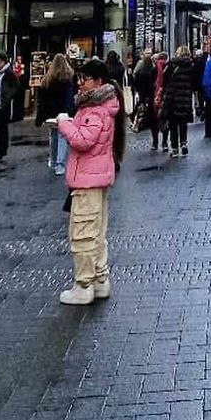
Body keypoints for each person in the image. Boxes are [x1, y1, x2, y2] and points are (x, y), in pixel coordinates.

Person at [54, 57, 124, 305]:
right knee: (96, 232)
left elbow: (84, 141)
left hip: (87, 179)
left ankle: (83, 284)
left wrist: (64, 124)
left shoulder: (95, 109)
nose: (79, 83)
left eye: (84, 79)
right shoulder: (99, 106)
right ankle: (100, 279)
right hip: (95, 176)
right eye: (79, 78)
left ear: (98, 81)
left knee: (83, 233)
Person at [37, 53, 75, 175]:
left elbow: (41, 100)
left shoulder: (47, 80)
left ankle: (53, 161)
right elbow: (69, 99)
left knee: (53, 136)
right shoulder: (68, 79)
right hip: (63, 113)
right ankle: (60, 164)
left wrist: (41, 116)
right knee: (62, 137)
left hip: (50, 114)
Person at [161, 44, 195, 157]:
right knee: (183, 123)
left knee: (173, 124)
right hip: (185, 98)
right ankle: (184, 143)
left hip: (173, 98)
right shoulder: (191, 66)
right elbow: (194, 84)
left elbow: (164, 79)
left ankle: (175, 148)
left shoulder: (172, 65)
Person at [132, 49, 160, 149]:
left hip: (145, 97)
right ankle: (158, 141)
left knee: (147, 116)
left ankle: (154, 140)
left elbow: (135, 82)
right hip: (153, 97)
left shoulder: (141, 72)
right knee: (155, 120)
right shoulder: (154, 70)